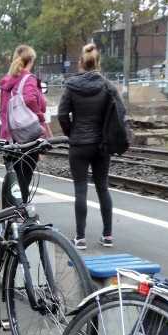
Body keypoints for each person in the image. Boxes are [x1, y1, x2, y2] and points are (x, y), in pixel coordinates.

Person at [58, 43, 120, 250]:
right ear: (98, 63)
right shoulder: (107, 85)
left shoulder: (71, 85)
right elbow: (120, 110)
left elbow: (61, 114)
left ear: (81, 64)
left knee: (80, 190)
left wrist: (71, 132)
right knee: (103, 188)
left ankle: (80, 237)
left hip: (79, 144)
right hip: (101, 144)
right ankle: (108, 235)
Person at [0, 44, 51, 203]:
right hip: (26, 136)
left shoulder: (7, 81)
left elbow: (3, 109)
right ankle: (21, 216)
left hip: (9, 136)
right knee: (24, 180)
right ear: (31, 60)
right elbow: (29, 100)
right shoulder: (28, 79)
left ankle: (9, 215)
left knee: (12, 179)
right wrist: (41, 115)